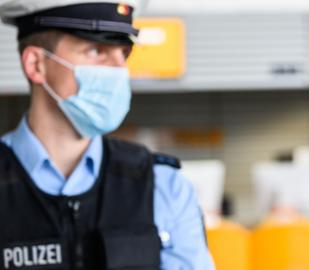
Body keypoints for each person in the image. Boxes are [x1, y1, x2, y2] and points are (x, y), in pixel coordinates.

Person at [0, 1, 214, 269]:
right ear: (36, 64)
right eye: (96, 50)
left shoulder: (164, 186)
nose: (118, 69)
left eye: (123, 53)